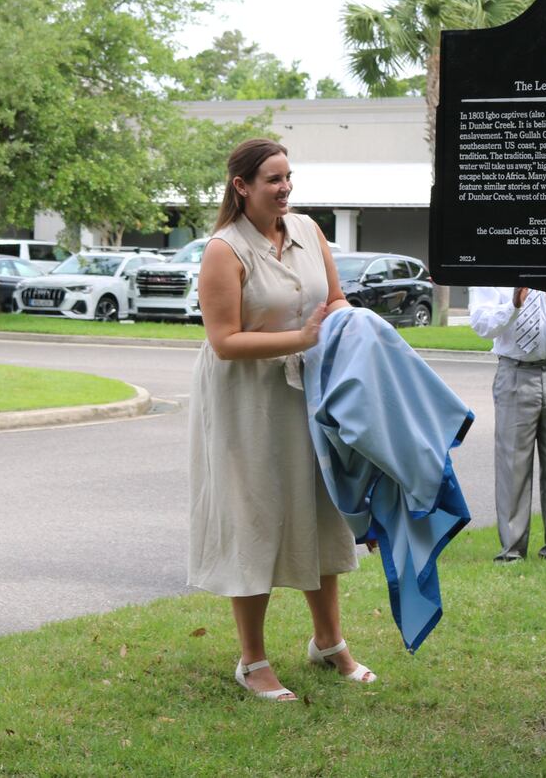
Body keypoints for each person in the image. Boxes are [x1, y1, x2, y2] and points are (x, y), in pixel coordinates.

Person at [189, 138, 373, 702]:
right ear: (242, 186)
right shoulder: (225, 250)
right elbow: (223, 342)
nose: (285, 186)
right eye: (272, 178)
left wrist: (355, 326)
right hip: (246, 401)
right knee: (255, 516)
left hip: (311, 394)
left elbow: (335, 299)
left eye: (288, 176)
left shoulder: (310, 232)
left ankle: (329, 642)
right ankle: (253, 660)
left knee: (320, 510)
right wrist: (302, 338)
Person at [467, 285, 546, 564]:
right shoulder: (492, 271)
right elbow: (481, 324)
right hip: (515, 372)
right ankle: (512, 551)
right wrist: (514, 305)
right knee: (512, 465)